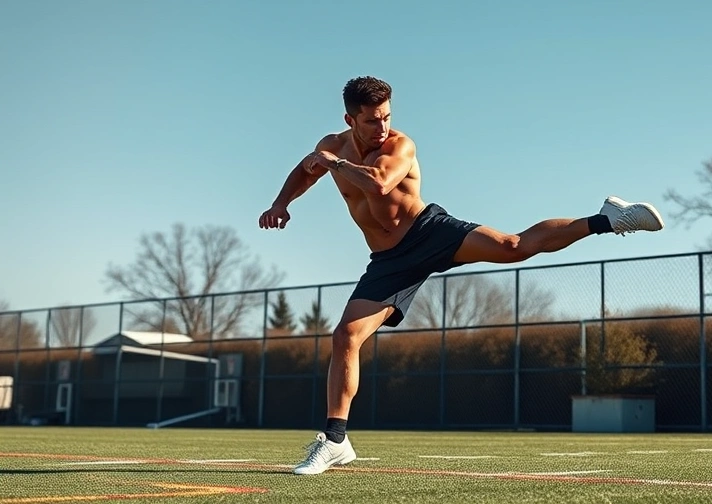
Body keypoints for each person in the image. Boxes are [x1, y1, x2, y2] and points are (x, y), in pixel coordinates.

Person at [258, 76, 665, 475]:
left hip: (428, 232)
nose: (382, 127)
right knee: (345, 336)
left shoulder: (399, 145)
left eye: (386, 116)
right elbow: (306, 170)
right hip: (389, 261)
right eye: (371, 120)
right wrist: (281, 203)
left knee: (512, 247)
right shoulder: (332, 147)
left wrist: (335, 163)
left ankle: (609, 219)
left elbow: (380, 184)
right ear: (350, 121)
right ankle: (335, 440)